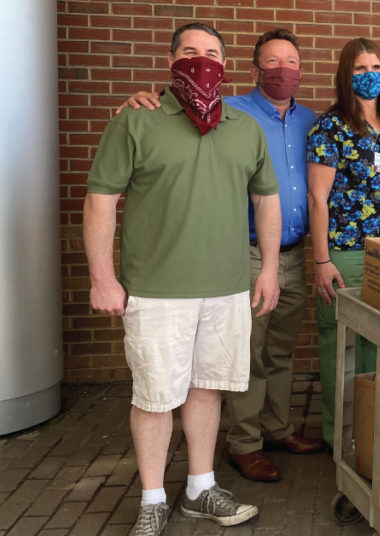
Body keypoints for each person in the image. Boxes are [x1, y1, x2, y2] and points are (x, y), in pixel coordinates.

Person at [85, 22, 279, 535]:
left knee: (208, 390)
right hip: (155, 290)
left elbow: (267, 199)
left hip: (228, 286)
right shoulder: (136, 120)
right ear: (171, 60)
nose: (202, 60)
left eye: (212, 52)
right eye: (190, 52)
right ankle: (152, 498)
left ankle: (199, 488)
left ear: (226, 62)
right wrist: (102, 278)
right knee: (153, 397)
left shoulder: (244, 126)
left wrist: (271, 269)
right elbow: (101, 199)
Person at [115, 29, 326, 483]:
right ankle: (244, 443)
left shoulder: (312, 120)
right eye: (272, 62)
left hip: (292, 253)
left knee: (280, 352)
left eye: (291, 62)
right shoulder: (233, 112)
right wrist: (144, 97)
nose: (282, 70)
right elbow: (184, 104)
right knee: (244, 355)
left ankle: (279, 428)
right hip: (243, 253)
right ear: (252, 70)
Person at [306, 37, 380, 451]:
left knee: (378, 346)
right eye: (360, 69)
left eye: (376, 67)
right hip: (343, 255)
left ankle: (373, 430)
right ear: (346, 76)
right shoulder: (331, 127)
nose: (370, 76)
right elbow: (317, 197)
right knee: (341, 349)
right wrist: (321, 260)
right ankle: (340, 437)